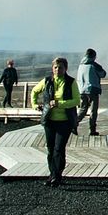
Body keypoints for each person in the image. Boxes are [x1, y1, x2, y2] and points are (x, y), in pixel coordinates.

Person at [33, 56, 81, 186]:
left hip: (64, 121)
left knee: (59, 149)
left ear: (66, 69)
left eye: (60, 67)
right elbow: (34, 91)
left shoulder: (71, 82)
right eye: (55, 67)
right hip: (49, 121)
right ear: (52, 68)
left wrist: (60, 103)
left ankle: (57, 175)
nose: (57, 70)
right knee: (50, 149)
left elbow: (77, 101)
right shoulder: (47, 81)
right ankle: (52, 174)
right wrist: (34, 105)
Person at [80, 49, 106, 135]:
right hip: (93, 90)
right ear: (94, 56)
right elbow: (103, 74)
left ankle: (73, 124)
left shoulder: (81, 65)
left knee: (83, 110)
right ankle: (92, 130)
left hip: (82, 90)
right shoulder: (94, 65)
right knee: (93, 111)